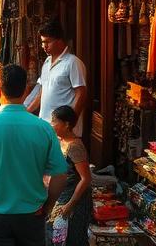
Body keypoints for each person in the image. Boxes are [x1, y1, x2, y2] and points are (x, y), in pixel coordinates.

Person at [0, 63, 68, 246]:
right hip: (31, 216)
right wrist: (48, 206)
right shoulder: (44, 129)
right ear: (26, 91)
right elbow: (60, 174)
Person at [26, 19, 88, 136]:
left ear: (59, 41)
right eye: (42, 42)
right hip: (45, 125)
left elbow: (81, 94)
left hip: (64, 130)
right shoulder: (47, 62)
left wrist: (69, 124)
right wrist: (26, 111)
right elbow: (42, 92)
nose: (44, 46)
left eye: (47, 42)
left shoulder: (73, 62)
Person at [48, 105, 92, 246]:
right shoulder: (60, 142)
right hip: (61, 196)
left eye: (54, 121)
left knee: (73, 238)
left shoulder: (75, 146)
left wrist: (70, 205)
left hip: (74, 201)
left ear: (66, 124)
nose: (51, 124)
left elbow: (86, 179)